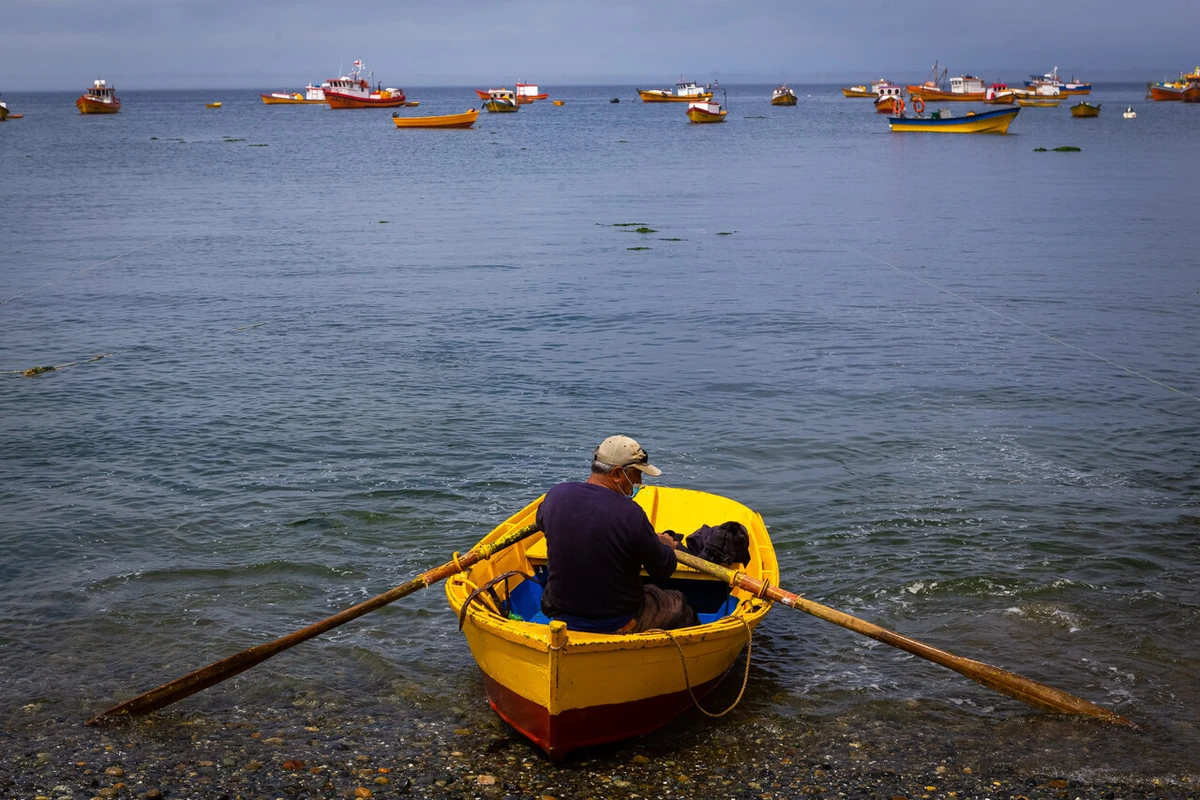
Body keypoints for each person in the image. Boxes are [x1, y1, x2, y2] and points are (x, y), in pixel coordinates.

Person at [535, 435, 698, 634]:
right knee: (679, 604)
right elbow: (662, 569)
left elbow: (542, 522)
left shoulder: (556, 495)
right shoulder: (630, 513)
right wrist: (665, 545)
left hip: (561, 610)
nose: (639, 482)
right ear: (617, 474)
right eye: (636, 474)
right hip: (616, 619)